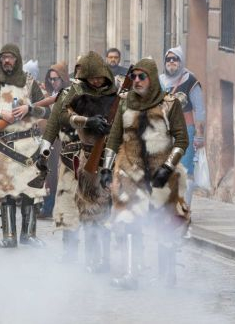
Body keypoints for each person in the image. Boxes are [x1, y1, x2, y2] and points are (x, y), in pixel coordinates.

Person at [101, 57, 190, 289]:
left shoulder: (170, 103)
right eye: (134, 76)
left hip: (163, 175)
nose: (137, 81)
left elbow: (181, 140)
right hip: (131, 174)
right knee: (128, 222)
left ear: (151, 78)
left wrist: (168, 167)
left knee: (166, 225)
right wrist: (106, 168)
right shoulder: (124, 103)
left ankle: (167, 277)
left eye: (142, 76)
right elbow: (113, 138)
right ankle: (131, 274)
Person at [0, 44, 50, 248]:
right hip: (3, 146)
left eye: (10, 58)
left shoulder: (30, 83)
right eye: (4, 58)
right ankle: (9, 235)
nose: (7, 61)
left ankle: (29, 235)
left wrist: (30, 108)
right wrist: (0, 115)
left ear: (17, 59)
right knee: (6, 191)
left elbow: (47, 111)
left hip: (28, 145)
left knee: (30, 190)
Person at [57, 51, 117, 272]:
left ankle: (107, 260)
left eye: (99, 77)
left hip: (112, 159)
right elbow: (63, 115)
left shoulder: (117, 96)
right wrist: (86, 121)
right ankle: (92, 260)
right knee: (89, 211)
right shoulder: (77, 95)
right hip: (88, 158)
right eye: (92, 78)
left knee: (110, 214)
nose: (97, 81)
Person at [159, 46, 205, 206]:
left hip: (186, 131)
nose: (171, 62)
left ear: (181, 61)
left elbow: (199, 109)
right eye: (168, 59)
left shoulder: (191, 80)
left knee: (185, 169)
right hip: (164, 132)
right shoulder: (160, 81)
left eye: (175, 59)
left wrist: (199, 134)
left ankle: (184, 207)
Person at [38, 61, 71, 220]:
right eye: (50, 79)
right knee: (47, 174)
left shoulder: (70, 96)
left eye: (56, 79)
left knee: (62, 176)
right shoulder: (47, 97)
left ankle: (61, 210)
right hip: (48, 143)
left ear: (63, 78)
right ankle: (47, 206)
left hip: (64, 142)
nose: (53, 82)